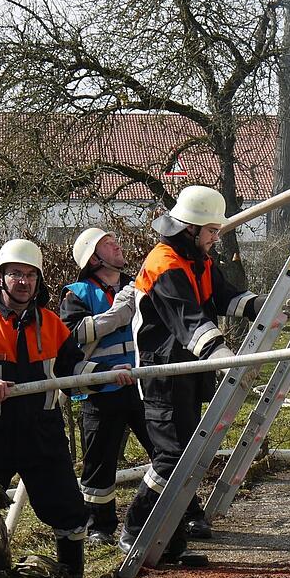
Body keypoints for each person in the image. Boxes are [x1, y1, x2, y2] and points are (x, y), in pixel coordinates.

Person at [0, 238, 133, 578]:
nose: (23, 282)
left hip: (42, 434)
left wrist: (104, 376)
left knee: (69, 512)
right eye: (15, 274)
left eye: (30, 275)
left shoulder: (52, 325)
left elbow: (72, 370)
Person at [119, 185, 262, 564]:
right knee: (171, 458)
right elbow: (188, 320)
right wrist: (220, 352)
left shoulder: (197, 261)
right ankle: (135, 528)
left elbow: (223, 297)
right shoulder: (164, 264)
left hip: (188, 371)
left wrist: (260, 306)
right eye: (212, 231)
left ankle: (171, 540)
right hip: (163, 374)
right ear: (190, 229)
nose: (216, 238)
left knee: (187, 455)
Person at [60, 227, 213, 545]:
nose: (117, 247)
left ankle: (190, 514)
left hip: (144, 386)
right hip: (102, 389)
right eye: (108, 245)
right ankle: (100, 526)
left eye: (115, 242)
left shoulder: (139, 283)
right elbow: (72, 336)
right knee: (99, 460)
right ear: (93, 258)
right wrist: (117, 314)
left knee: (168, 452)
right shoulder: (77, 293)